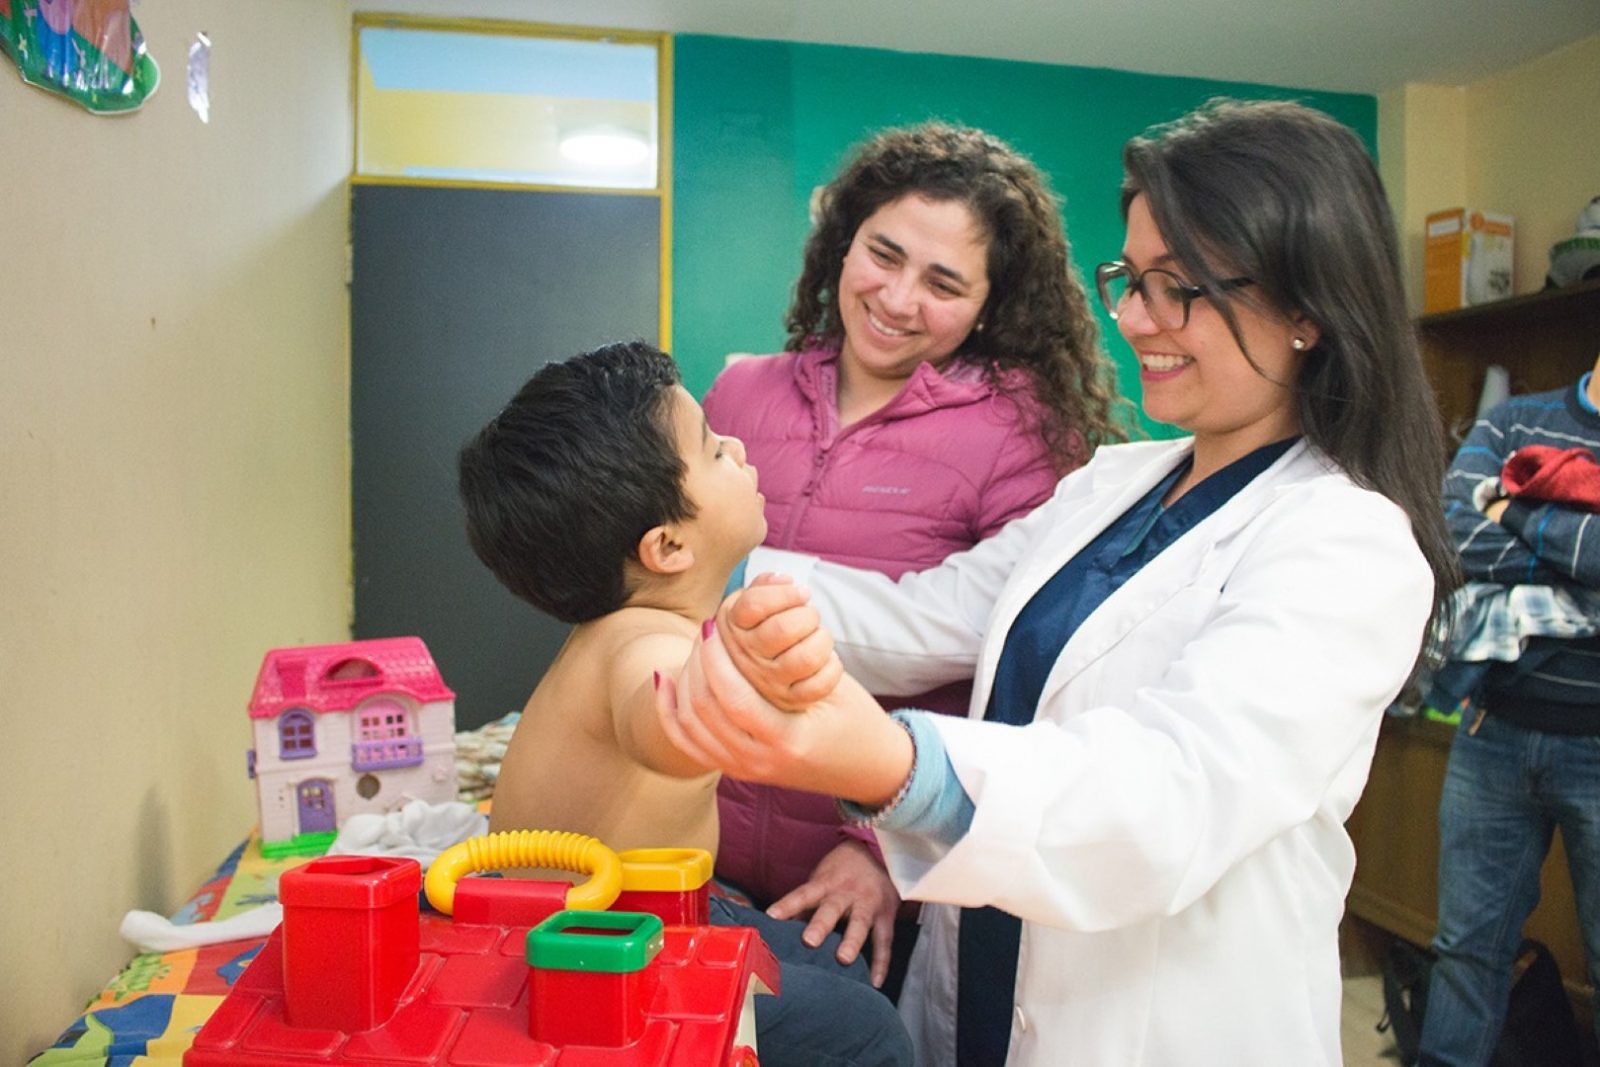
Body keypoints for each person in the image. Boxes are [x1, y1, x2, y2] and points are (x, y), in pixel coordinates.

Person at [655, 99, 1463, 1065]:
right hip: (985, 979)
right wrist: (712, 563)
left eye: (1179, 288)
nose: (1133, 319)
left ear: (1307, 309)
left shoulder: (1348, 543)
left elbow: (1171, 793)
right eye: (1130, 278)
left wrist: (888, 764)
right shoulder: (1114, 486)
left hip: (1161, 1024)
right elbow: (930, 613)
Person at [702, 121, 1123, 989]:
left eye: (943, 283)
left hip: (866, 884)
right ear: (841, 239)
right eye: (882, 255)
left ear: (989, 303)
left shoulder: (1021, 434)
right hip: (697, 844)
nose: (897, 299)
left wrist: (878, 848)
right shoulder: (742, 392)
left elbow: (1015, 676)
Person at [456, 341, 912, 1067]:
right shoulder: (645, 646)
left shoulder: (622, 625)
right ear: (667, 544)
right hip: (597, 963)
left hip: (629, 918)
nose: (734, 442)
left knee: (835, 965)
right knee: (865, 1028)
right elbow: (655, 715)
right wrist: (716, 677)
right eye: (712, 447)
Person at [1417, 356, 1600, 1066]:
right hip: (1492, 732)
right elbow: (1453, 533)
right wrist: (1573, 554)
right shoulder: (1513, 420)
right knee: (1465, 955)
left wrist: (1513, 509)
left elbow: (1488, 522)